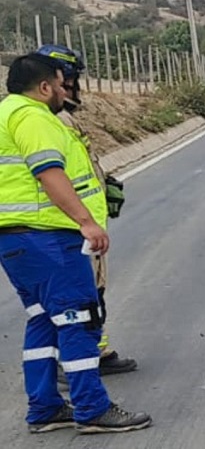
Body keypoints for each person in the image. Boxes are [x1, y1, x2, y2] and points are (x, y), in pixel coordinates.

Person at [0, 53, 151, 434]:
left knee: (44, 321)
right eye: (61, 84)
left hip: (17, 239)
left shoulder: (6, 114)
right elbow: (48, 172)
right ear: (45, 86)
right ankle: (91, 408)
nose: (66, 91)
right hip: (47, 237)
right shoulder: (33, 117)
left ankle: (45, 407)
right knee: (79, 318)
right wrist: (86, 221)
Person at [36, 45, 138, 379]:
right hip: (71, 225)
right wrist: (82, 219)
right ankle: (80, 364)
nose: (74, 85)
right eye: (71, 78)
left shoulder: (60, 117)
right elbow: (54, 172)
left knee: (91, 289)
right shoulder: (51, 120)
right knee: (80, 296)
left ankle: (94, 350)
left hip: (82, 220)